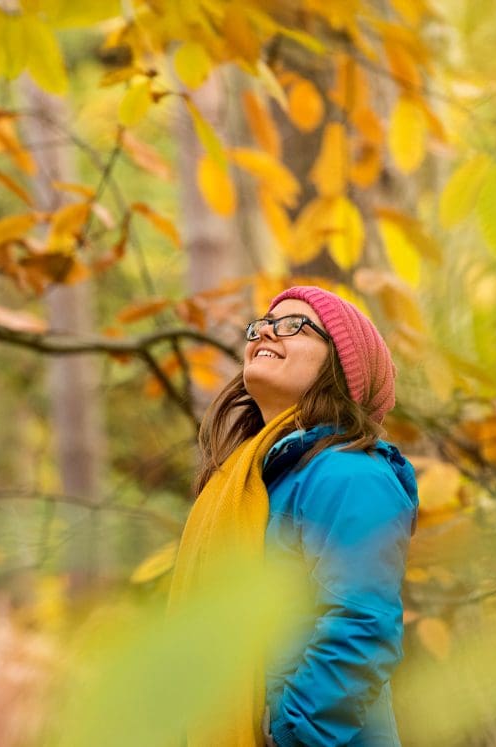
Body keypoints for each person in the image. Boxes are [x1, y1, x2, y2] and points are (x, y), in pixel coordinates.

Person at [168, 286, 419, 747]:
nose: (267, 330)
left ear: (342, 366)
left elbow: (361, 622)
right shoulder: (253, 481)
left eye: (293, 324)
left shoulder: (351, 473)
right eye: (262, 324)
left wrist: (291, 734)